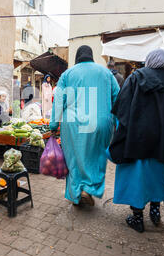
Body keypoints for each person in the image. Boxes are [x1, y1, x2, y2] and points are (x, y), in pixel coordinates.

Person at [108, 49, 164, 233]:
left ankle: (137, 218)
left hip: (137, 141)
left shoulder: (135, 78)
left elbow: (122, 109)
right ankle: (155, 212)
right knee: (159, 176)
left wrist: (120, 132)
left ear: (149, 61)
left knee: (137, 179)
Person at [50, 45, 120, 206]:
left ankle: (76, 193)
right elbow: (118, 98)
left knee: (74, 159)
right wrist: (118, 123)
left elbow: (59, 100)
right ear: (91, 56)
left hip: (73, 124)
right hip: (101, 122)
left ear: (77, 57)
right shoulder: (106, 73)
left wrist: (53, 125)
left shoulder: (68, 74)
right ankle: (88, 189)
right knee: (96, 157)